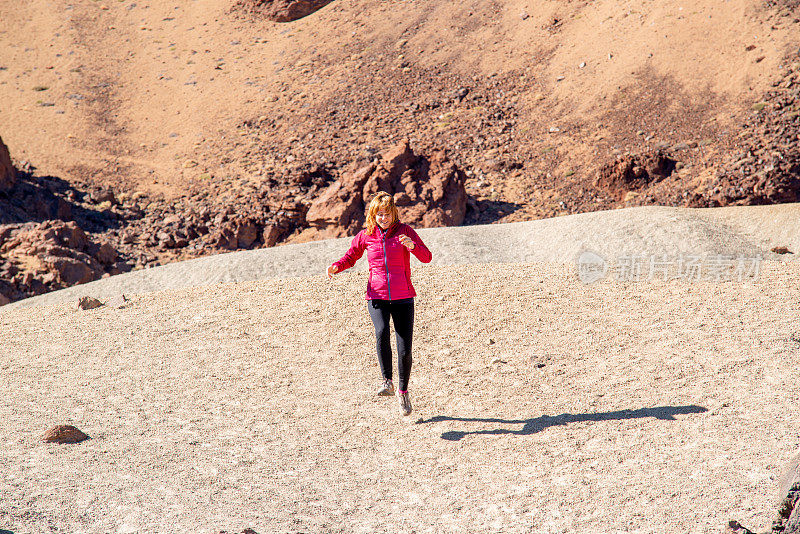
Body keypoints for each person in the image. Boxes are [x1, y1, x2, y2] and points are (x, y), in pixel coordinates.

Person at [327, 191, 432, 416]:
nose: (383, 218)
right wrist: (337, 266)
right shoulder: (367, 235)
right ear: (373, 216)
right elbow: (351, 257)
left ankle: (403, 392)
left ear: (394, 214)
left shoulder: (405, 232)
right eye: (379, 214)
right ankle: (387, 382)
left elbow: (427, 257)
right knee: (382, 331)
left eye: (386, 214)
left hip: (403, 296)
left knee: (404, 349)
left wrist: (412, 246)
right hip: (376, 296)